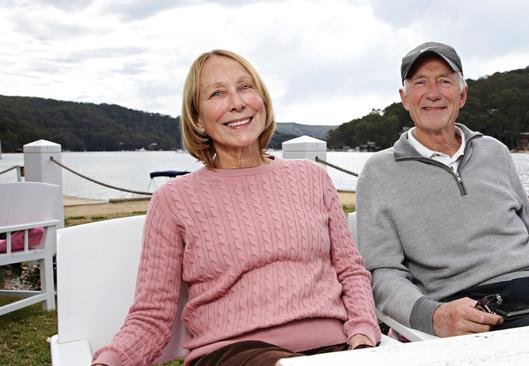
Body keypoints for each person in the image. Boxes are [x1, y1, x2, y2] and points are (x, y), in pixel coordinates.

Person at [92, 49, 380, 366]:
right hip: (236, 354)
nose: (236, 102)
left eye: (245, 87)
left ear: (262, 100)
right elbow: (152, 314)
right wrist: (110, 361)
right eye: (217, 93)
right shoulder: (174, 200)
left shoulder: (312, 178)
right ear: (198, 120)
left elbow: (351, 271)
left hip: (336, 349)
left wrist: (363, 331)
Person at [356, 41, 529, 338]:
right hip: (474, 307)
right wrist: (433, 315)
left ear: (462, 95)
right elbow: (383, 273)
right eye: (421, 82)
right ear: (405, 98)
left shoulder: (495, 152)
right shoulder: (380, 171)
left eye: (444, 81)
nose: (433, 93)